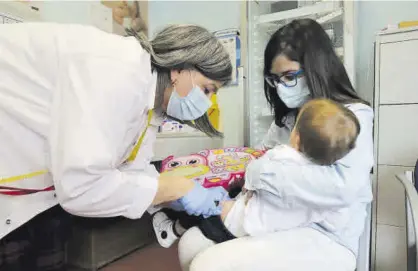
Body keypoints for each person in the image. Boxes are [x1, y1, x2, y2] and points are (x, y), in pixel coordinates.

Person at [0, 22, 231, 270]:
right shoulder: (117, 71)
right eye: (207, 89)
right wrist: (175, 188)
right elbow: (82, 187)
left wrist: (169, 196)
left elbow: (133, 166)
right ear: (178, 69)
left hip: (38, 180)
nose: (207, 103)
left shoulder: (150, 101)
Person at [178, 18, 373, 271]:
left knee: (208, 265)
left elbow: (342, 188)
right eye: (275, 79)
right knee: (190, 244)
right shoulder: (289, 118)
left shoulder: (351, 117)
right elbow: (258, 155)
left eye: (289, 76)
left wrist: (260, 173)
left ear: (317, 68)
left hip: (325, 234)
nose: (281, 87)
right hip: (278, 219)